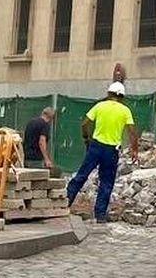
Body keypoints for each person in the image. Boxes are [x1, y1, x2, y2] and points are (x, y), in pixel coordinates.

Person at [65, 81, 139, 223]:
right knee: (106, 182)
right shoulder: (125, 111)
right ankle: (100, 215)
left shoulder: (99, 106)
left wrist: (86, 137)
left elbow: (85, 123)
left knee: (81, 175)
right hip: (111, 151)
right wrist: (135, 150)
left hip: (96, 147)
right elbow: (132, 132)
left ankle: (66, 203)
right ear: (122, 96)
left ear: (108, 94)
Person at [22, 107, 55, 173]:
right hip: (36, 159)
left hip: (26, 157)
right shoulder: (45, 125)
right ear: (50, 118)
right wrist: (47, 159)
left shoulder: (30, 122)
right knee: (36, 181)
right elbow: (41, 142)